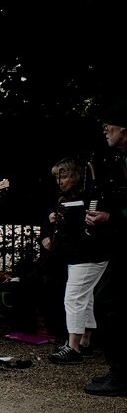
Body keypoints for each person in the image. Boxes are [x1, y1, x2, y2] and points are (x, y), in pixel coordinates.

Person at [40, 157, 109, 365]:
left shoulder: (88, 197)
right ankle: (85, 343)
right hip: (80, 255)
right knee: (85, 298)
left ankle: (73, 348)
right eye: (57, 177)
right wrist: (50, 229)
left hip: (87, 255)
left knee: (74, 298)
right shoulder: (64, 198)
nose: (60, 181)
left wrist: (62, 222)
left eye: (65, 176)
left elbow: (84, 229)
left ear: (76, 177)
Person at [80, 102, 127, 396]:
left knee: (108, 299)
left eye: (108, 124)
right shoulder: (119, 159)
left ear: (124, 128)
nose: (104, 130)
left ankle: (121, 375)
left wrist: (112, 217)